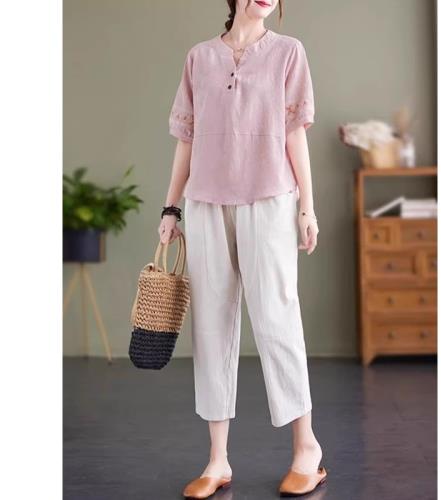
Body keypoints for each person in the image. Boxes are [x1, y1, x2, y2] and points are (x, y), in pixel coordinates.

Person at [159, 1, 326, 497]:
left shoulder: (289, 52)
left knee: (277, 317)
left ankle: (307, 449)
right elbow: (186, 139)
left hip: (270, 198)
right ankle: (217, 460)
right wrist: (170, 208)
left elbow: (295, 134)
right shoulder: (199, 57)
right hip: (206, 201)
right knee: (211, 324)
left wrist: (307, 208)